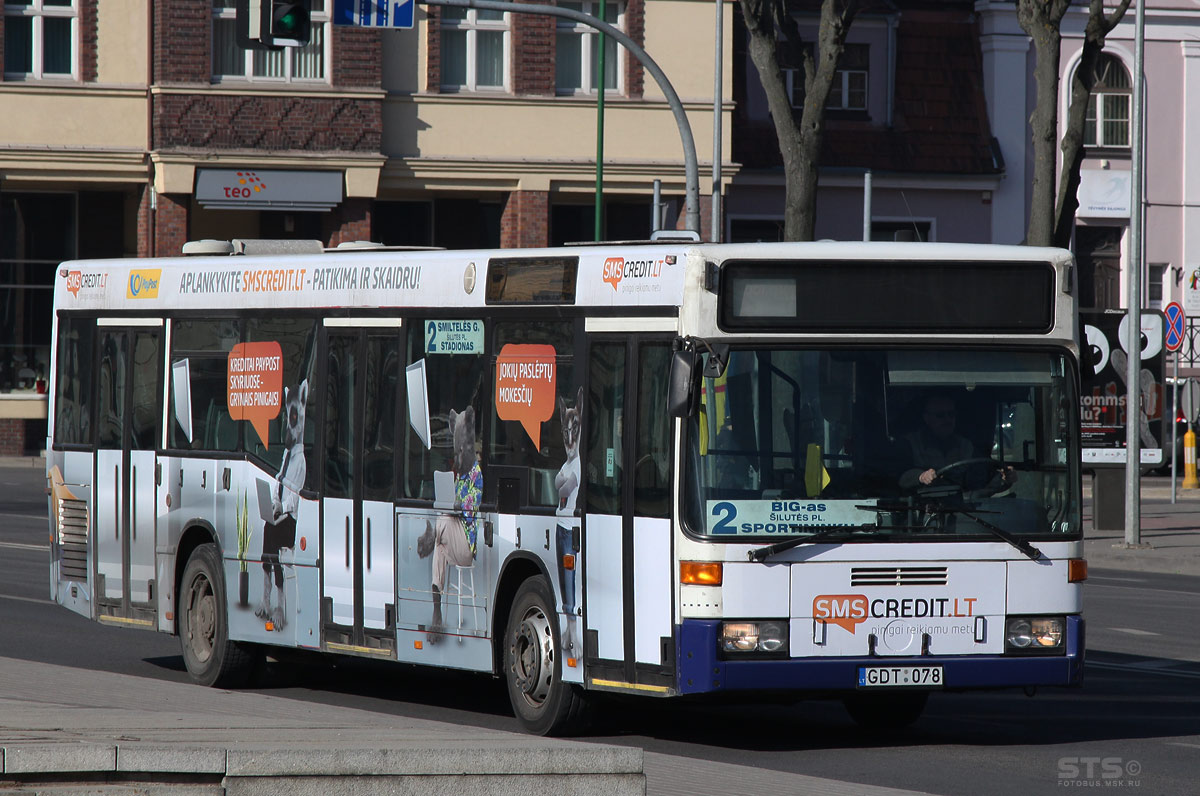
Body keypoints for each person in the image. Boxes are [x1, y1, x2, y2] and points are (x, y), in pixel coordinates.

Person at [899, 393, 1016, 495]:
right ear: (926, 418)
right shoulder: (910, 444)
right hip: (921, 513)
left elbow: (981, 479)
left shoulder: (966, 446)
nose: (947, 419)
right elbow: (898, 476)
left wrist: (1004, 478)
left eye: (951, 414)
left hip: (962, 512)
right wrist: (921, 476)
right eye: (940, 415)